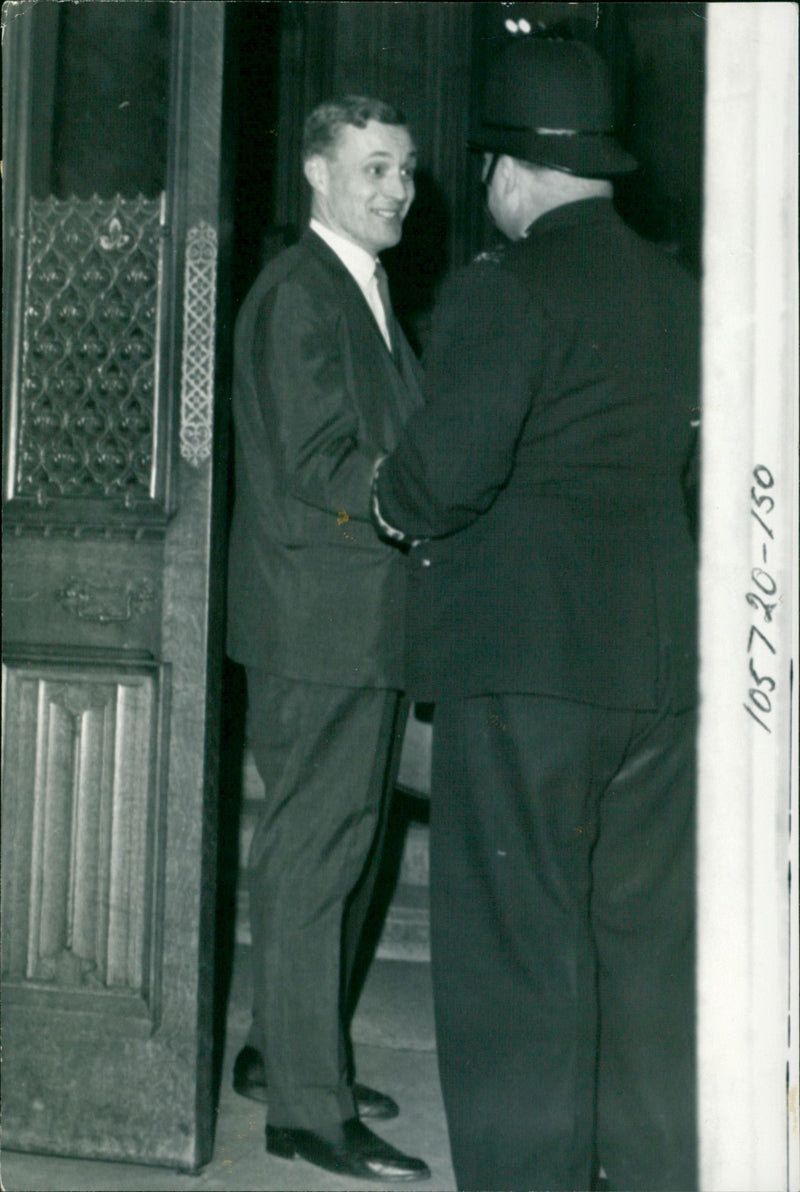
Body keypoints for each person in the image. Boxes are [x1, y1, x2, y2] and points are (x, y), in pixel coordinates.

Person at [372, 37, 700, 1192]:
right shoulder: (680, 293)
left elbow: (441, 474)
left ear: (512, 173)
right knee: (641, 959)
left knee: (516, 960)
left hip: (526, 669)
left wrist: (386, 500)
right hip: (659, 672)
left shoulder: (504, 286)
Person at [226, 95, 430, 1183]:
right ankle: (308, 1110)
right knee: (316, 855)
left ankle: (286, 1053)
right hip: (321, 626)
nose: (394, 189)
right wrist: (426, 503)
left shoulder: (362, 285)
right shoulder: (299, 294)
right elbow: (320, 463)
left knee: (339, 850)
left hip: (360, 621)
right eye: (372, 168)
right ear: (317, 172)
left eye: (404, 170)